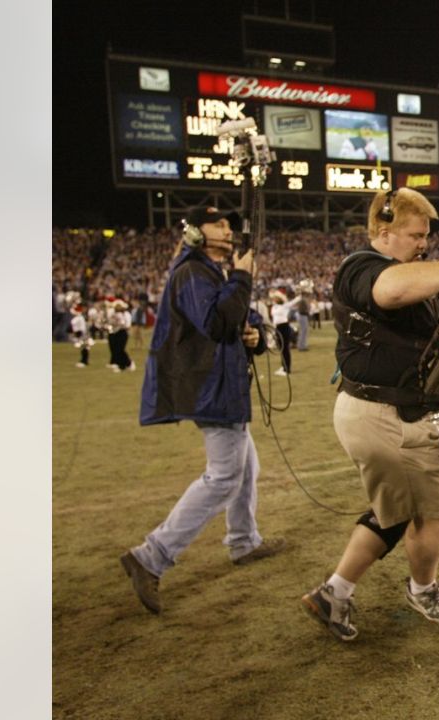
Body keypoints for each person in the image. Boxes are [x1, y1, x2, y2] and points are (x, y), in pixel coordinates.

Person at [300, 187, 439, 641]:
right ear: (383, 230)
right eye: (415, 235)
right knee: (417, 512)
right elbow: (390, 291)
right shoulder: (364, 267)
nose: (423, 243)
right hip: (383, 414)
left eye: (426, 235)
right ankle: (413, 590)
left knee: (411, 513)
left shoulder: (413, 278)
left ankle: (338, 592)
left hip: (396, 413)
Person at [121, 206, 285, 615]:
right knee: (224, 476)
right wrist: (244, 276)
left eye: (229, 224)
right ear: (195, 232)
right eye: (219, 224)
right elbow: (213, 323)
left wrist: (253, 337)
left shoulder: (212, 274)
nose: (228, 230)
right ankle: (151, 556)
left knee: (246, 468)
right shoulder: (192, 273)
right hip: (213, 389)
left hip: (224, 386)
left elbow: (234, 321)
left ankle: (243, 542)